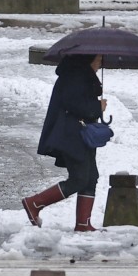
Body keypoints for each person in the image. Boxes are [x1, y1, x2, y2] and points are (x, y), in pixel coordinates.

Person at [22, 54, 108, 232]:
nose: (100, 64)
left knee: (90, 177)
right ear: (88, 59)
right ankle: (34, 203)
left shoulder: (80, 75)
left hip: (81, 134)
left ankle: (83, 224)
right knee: (79, 179)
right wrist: (96, 107)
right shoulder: (75, 76)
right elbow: (74, 105)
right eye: (99, 60)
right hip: (71, 135)